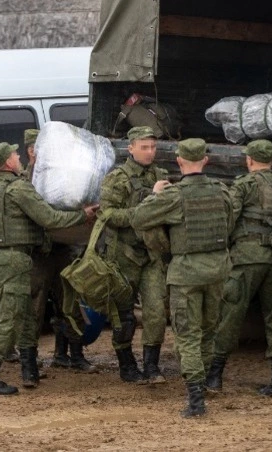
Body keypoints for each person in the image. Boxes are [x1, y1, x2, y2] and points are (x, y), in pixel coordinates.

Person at [0, 143, 97, 395]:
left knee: (23, 314)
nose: (18, 157)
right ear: (7, 163)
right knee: (11, 318)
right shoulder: (17, 188)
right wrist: (82, 216)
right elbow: (50, 218)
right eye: (14, 155)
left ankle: (28, 370)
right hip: (14, 260)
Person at [131, 138, 233, 418]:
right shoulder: (222, 191)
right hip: (217, 269)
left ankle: (196, 400)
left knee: (187, 335)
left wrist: (154, 193)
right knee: (208, 331)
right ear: (206, 160)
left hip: (186, 272)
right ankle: (206, 383)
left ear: (178, 161)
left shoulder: (175, 195)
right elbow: (230, 225)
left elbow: (139, 219)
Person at [207, 140, 272, 396]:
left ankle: (214, 377)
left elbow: (228, 218)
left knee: (230, 315)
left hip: (246, 258)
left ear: (250, 160)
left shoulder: (244, 184)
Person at [97, 126, 169, 384]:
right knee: (123, 316)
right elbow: (107, 215)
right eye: (144, 147)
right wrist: (150, 201)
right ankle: (127, 365)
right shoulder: (118, 178)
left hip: (152, 255)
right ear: (131, 148)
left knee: (156, 312)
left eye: (153, 147)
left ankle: (151, 366)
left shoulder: (161, 175)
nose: (150, 152)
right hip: (123, 256)